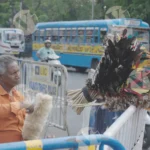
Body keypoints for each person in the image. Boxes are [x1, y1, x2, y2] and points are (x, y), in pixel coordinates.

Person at [0, 55, 33, 143]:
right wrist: (20, 105)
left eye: (18, 71)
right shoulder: (20, 101)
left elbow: (26, 123)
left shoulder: (18, 95)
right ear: (1, 77)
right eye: (13, 73)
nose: (17, 75)